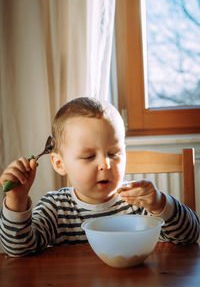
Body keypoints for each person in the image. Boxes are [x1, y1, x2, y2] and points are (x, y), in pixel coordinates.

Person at [0, 97, 199, 257]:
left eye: (113, 153)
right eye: (88, 156)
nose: (105, 163)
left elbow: (190, 236)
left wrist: (160, 204)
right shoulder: (56, 208)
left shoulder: (139, 203)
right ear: (60, 164)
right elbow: (19, 250)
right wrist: (16, 200)